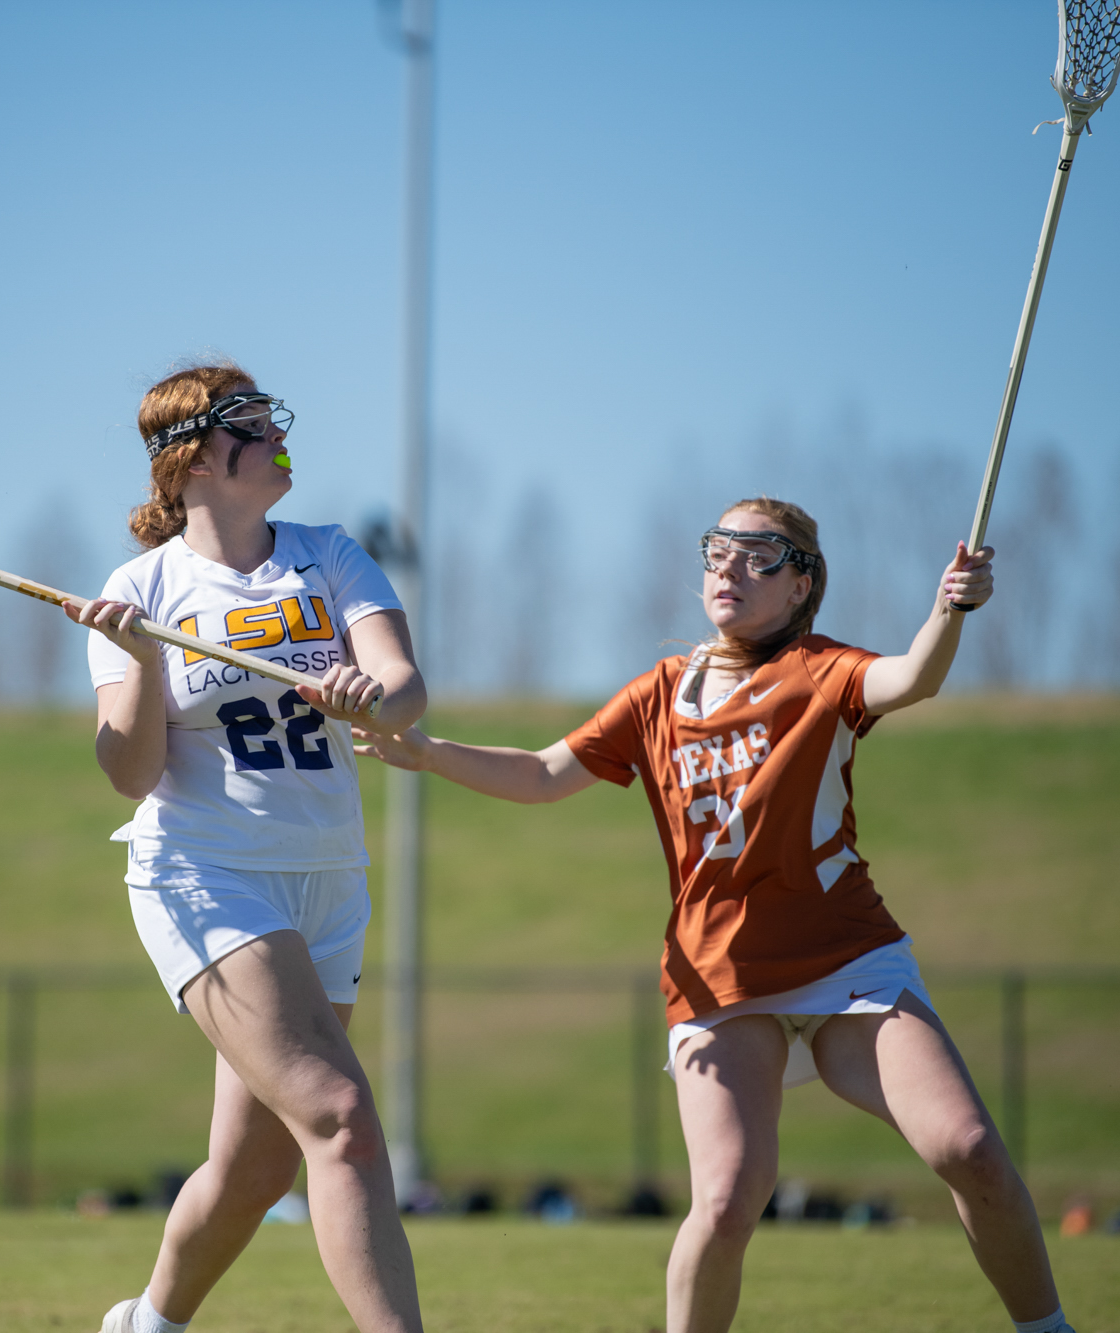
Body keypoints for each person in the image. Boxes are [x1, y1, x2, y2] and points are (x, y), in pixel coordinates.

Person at [355, 499, 1079, 1333]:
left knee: (970, 1149)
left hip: (849, 963)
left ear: (803, 582)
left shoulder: (824, 669)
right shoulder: (661, 691)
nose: (728, 567)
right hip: (719, 978)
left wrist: (950, 609)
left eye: (758, 554)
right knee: (730, 1197)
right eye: (717, 550)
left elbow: (915, 674)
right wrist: (426, 752)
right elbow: (545, 772)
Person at [77, 361, 428, 1333]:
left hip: (327, 879)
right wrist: (143, 657)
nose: (279, 437)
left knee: (253, 1167)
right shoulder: (139, 588)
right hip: (206, 874)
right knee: (342, 1119)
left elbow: (402, 685)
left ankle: (147, 1321)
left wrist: (374, 696)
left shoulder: (326, 554)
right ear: (189, 459)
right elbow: (129, 770)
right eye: (254, 424)